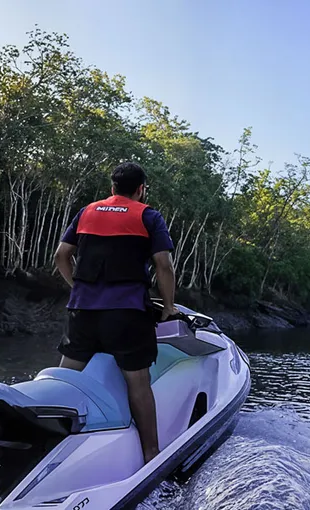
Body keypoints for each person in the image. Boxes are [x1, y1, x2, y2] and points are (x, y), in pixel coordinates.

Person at [53, 161, 177, 464]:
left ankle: (47, 438)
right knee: (137, 382)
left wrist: (77, 288)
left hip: (83, 311)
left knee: (65, 376)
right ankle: (151, 453)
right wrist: (169, 307)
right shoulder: (148, 216)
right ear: (141, 189)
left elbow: (61, 256)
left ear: (112, 188)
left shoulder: (86, 212)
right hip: (127, 314)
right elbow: (164, 265)